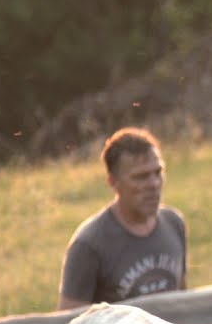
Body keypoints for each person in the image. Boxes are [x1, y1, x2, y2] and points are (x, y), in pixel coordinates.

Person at [58, 127, 188, 309]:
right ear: (113, 182)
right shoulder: (89, 245)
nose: (153, 184)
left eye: (158, 172)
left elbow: (183, 301)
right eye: (140, 177)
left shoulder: (174, 223)